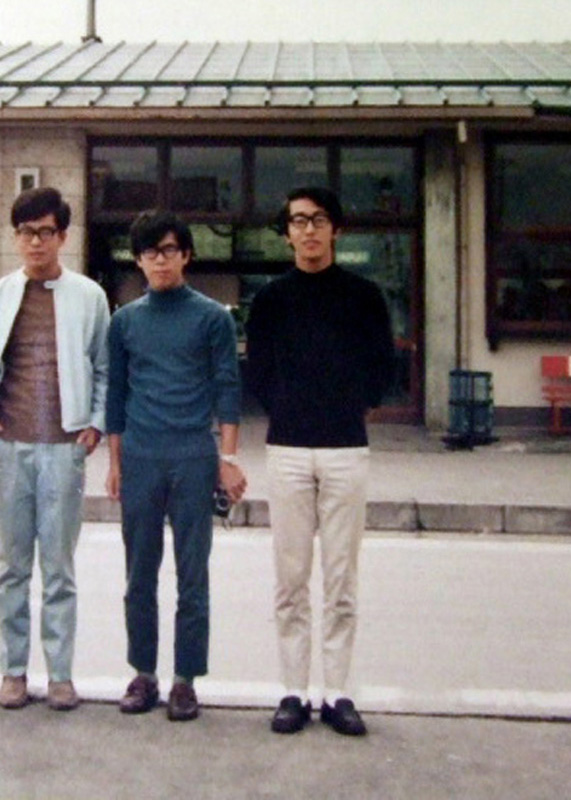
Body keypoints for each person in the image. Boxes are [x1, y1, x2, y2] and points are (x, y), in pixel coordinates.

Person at [245, 186, 393, 737]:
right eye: (299, 221)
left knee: (341, 579)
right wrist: (286, 405)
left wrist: (354, 403)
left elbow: (382, 366)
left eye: (319, 220)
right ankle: (293, 691)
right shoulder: (271, 299)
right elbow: (257, 370)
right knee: (290, 579)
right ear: (287, 233)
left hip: (346, 448)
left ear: (336, 229)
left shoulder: (364, 296)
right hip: (287, 448)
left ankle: (337, 693)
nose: (309, 230)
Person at [105, 210, 247, 722]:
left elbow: (228, 390)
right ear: (138, 260)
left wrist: (227, 459)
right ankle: (143, 674)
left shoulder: (213, 318)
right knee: (138, 574)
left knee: (193, 575)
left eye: (169, 250)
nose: (160, 260)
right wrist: (115, 463)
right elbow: (115, 396)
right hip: (141, 456)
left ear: (186, 255)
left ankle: (186, 679)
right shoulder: (124, 321)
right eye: (150, 252)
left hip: (193, 456)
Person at [0, 187, 110, 712]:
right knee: (11, 566)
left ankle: (59, 675)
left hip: (63, 447)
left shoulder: (89, 297)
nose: (36, 242)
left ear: (63, 236)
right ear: (15, 237)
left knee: (59, 568)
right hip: (10, 447)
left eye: (46, 232)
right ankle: (12, 672)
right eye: (27, 232)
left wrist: (94, 425)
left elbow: (103, 367)